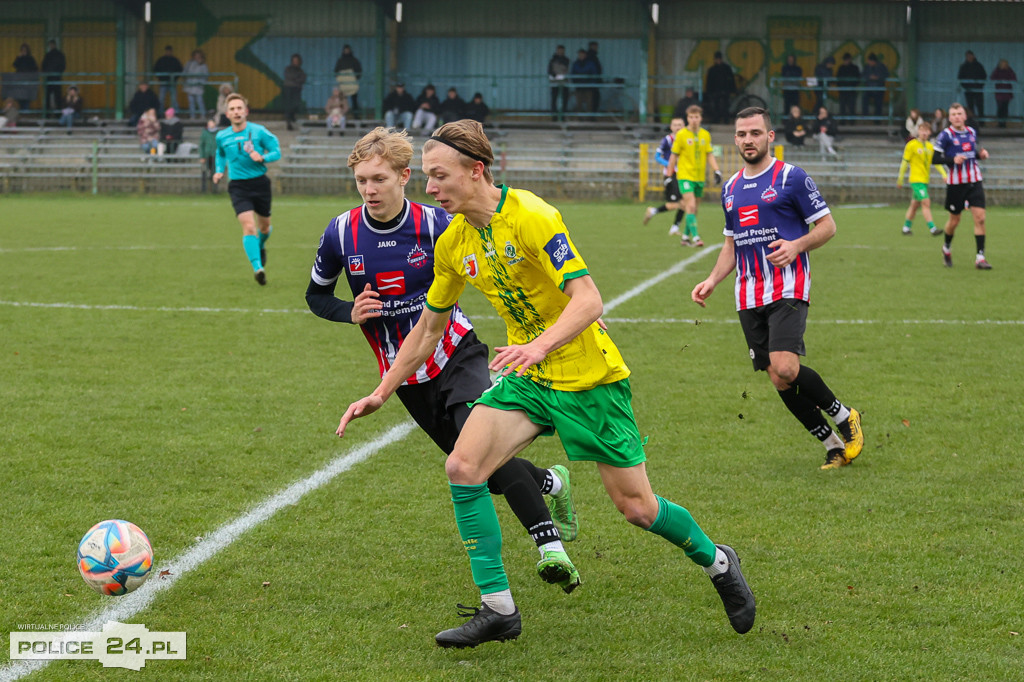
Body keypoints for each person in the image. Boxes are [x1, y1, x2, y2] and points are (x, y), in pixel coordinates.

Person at [337, 119, 756, 648]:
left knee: (636, 508)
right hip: (529, 378)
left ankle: (718, 561)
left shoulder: (533, 216)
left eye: (439, 176)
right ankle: (498, 608)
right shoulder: (454, 240)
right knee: (463, 466)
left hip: (587, 377)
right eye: (427, 176)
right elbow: (428, 329)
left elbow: (588, 300)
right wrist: (381, 389)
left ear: (476, 171)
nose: (430, 187)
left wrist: (538, 345)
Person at [306, 126, 582, 601]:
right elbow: (316, 295)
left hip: (456, 351)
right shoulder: (341, 232)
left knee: (483, 449)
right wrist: (346, 311)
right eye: (361, 181)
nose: (369, 190)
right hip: (405, 374)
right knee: (480, 469)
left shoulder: (438, 225)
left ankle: (550, 548)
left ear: (403, 176)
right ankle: (552, 481)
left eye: (378, 179)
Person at [691, 106, 863, 471]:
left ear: (770, 137)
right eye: (741, 134)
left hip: (787, 286)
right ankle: (833, 445)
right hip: (747, 293)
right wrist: (711, 280)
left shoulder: (791, 178)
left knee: (785, 367)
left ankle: (845, 416)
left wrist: (796, 245)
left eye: (755, 133)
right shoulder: (730, 188)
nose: (747, 140)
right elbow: (731, 244)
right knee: (778, 378)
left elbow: (828, 226)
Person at [212, 93, 282, 285]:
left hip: (260, 184)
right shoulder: (222, 136)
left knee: (264, 227)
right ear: (227, 114)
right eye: (232, 109)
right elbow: (220, 154)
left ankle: (260, 245)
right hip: (238, 186)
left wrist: (263, 158)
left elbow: (277, 151)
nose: (236, 112)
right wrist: (219, 171)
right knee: (249, 226)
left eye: (239, 108)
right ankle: (258, 268)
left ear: (246, 111)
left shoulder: (259, 132)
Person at [934, 102, 991, 270]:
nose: (957, 117)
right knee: (954, 220)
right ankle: (946, 248)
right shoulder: (945, 135)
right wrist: (952, 160)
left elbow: (971, 153)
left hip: (974, 180)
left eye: (959, 113)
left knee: (980, 218)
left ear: (965, 116)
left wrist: (981, 155)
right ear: (949, 118)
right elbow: (935, 159)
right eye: (953, 114)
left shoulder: (972, 132)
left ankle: (980, 258)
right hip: (956, 184)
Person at [666, 104, 722, 247]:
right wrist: (668, 175)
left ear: (700, 118)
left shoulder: (705, 135)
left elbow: (709, 154)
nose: (694, 120)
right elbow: (673, 155)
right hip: (685, 176)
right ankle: (696, 238)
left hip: (699, 178)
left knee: (694, 208)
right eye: (691, 117)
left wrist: (717, 170)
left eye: (696, 117)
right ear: (687, 118)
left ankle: (685, 237)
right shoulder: (681, 135)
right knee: (690, 206)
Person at [897, 121, 948, 236]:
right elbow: (904, 163)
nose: (924, 133)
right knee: (926, 202)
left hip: (925, 180)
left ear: (929, 132)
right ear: (918, 131)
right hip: (916, 180)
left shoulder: (930, 147)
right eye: (922, 130)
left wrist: (944, 175)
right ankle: (932, 228)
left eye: (926, 131)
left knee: (914, 205)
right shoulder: (911, 145)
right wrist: (900, 179)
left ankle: (906, 228)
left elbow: (937, 163)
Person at [642, 117, 686, 235]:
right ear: (671, 127)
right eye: (675, 125)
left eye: (680, 125)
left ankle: (674, 227)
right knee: (676, 204)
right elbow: (657, 157)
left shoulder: (686, 139)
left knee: (685, 203)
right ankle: (653, 211)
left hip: (684, 174)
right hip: (671, 175)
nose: (678, 127)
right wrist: (669, 164)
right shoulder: (667, 140)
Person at [704, 51, 737, 124]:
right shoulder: (712, 69)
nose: (718, 60)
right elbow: (709, 82)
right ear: (715, 60)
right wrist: (709, 92)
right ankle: (716, 120)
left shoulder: (727, 68)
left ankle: (726, 120)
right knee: (716, 106)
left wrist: (733, 89)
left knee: (726, 106)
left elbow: (731, 80)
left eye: (719, 59)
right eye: (717, 59)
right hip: (715, 91)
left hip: (725, 90)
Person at [957, 51, 986, 122]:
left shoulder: (979, 65)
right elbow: (960, 77)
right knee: (970, 106)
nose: (969, 58)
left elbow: (984, 76)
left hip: (978, 89)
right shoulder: (963, 66)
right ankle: (971, 122)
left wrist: (979, 85)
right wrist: (966, 86)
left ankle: (981, 122)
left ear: (973, 56)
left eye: (970, 56)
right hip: (968, 90)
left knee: (980, 105)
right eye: (968, 56)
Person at [333, 44, 362, 113]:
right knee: (342, 100)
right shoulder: (340, 61)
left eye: (348, 50)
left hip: (352, 84)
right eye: (345, 50)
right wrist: (341, 77)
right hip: (343, 84)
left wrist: (354, 78)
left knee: (354, 100)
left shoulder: (354, 60)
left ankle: (356, 115)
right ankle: (341, 114)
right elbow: (336, 71)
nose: (347, 51)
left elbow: (359, 70)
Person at [152, 45, 183, 109]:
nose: (168, 52)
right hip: (163, 82)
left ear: (171, 52)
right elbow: (155, 69)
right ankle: (160, 112)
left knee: (174, 99)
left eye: (169, 51)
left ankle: (174, 113)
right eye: (167, 51)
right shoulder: (161, 60)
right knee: (161, 98)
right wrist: (160, 77)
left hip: (172, 82)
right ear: (165, 51)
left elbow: (180, 70)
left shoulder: (175, 60)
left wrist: (175, 78)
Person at [40, 40, 66, 114]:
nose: (51, 46)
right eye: (50, 45)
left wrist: (47, 72)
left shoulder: (50, 55)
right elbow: (63, 66)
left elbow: (44, 66)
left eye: (52, 45)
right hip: (54, 77)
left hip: (52, 77)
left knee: (54, 95)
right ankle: (54, 113)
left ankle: (51, 113)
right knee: (54, 95)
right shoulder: (57, 55)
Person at [182, 49, 209, 120]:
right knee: (191, 102)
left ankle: (202, 115)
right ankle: (192, 116)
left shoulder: (203, 65)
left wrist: (201, 82)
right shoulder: (189, 63)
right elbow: (184, 72)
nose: (197, 57)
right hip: (190, 86)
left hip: (198, 86)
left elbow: (206, 75)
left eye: (198, 56)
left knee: (200, 101)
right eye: (195, 56)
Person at [282, 53, 306, 131]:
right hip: (288, 88)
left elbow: (303, 79)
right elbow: (289, 76)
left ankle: (292, 116)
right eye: (294, 60)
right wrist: (296, 79)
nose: (295, 62)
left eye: (297, 60)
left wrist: (295, 80)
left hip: (296, 89)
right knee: (288, 105)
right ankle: (289, 122)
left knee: (296, 103)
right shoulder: (288, 69)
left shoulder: (300, 70)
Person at [862, 53, 888, 121]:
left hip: (879, 88)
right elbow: (863, 75)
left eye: (870, 61)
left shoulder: (881, 66)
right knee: (865, 101)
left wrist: (878, 77)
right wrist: (869, 77)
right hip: (869, 88)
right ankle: (865, 117)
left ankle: (877, 120)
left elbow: (886, 75)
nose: (869, 63)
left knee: (878, 105)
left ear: (874, 61)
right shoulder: (867, 67)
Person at [990, 59, 1016, 128]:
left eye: (1005, 64)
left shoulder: (1009, 70)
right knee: (1000, 108)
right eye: (1002, 64)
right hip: (999, 93)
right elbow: (992, 78)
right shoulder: (997, 70)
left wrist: (1007, 80)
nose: (1004, 65)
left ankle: (1004, 123)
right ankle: (1000, 123)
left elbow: (1014, 78)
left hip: (1007, 93)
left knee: (1005, 108)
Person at [12, 44, 38, 110]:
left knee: (27, 97)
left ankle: (26, 111)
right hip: (19, 80)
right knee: (19, 96)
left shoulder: (30, 58)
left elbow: (35, 68)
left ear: (27, 51)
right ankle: (21, 111)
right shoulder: (19, 58)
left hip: (27, 80)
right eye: (22, 50)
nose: (23, 51)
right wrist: (19, 57)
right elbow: (14, 65)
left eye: (25, 50)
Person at [570, 48, 597, 113]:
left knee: (589, 102)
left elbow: (594, 74)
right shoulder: (575, 64)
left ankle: (588, 118)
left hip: (588, 86)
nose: (581, 56)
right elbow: (573, 74)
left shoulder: (590, 63)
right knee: (579, 102)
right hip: (579, 86)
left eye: (582, 54)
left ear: (585, 55)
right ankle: (580, 118)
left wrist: (591, 83)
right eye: (579, 54)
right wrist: (575, 83)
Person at [547, 45, 570, 120]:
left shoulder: (566, 60)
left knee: (565, 99)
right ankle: (554, 116)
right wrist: (555, 76)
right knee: (554, 99)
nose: (560, 52)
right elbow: (550, 71)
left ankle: (563, 116)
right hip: (555, 83)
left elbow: (566, 70)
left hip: (564, 83)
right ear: (557, 51)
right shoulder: (552, 60)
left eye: (562, 50)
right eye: (559, 50)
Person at [835, 53, 860, 120]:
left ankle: (851, 121)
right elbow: (838, 78)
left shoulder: (854, 68)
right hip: (844, 90)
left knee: (851, 107)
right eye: (845, 60)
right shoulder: (842, 68)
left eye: (847, 59)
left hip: (851, 90)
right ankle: (843, 121)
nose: (846, 61)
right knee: (843, 107)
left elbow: (857, 79)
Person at [199, 117, 218, 193]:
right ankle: (204, 189)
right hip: (206, 156)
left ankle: (214, 189)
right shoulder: (205, 133)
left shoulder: (218, 133)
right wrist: (202, 156)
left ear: (215, 123)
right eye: (209, 123)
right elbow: (201, 145)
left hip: (215, 155)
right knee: (204, 172)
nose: (210, 125)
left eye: (211, 123)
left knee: (215, 172)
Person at [585, 41, 602, 112]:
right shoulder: (591, 57)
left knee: (593, 98)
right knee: (593, 98)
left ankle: (592, 114)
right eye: (595, 47)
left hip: (593, 81)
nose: (596, 48)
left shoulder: (593, 56)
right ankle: (592, 115)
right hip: (592, 81)